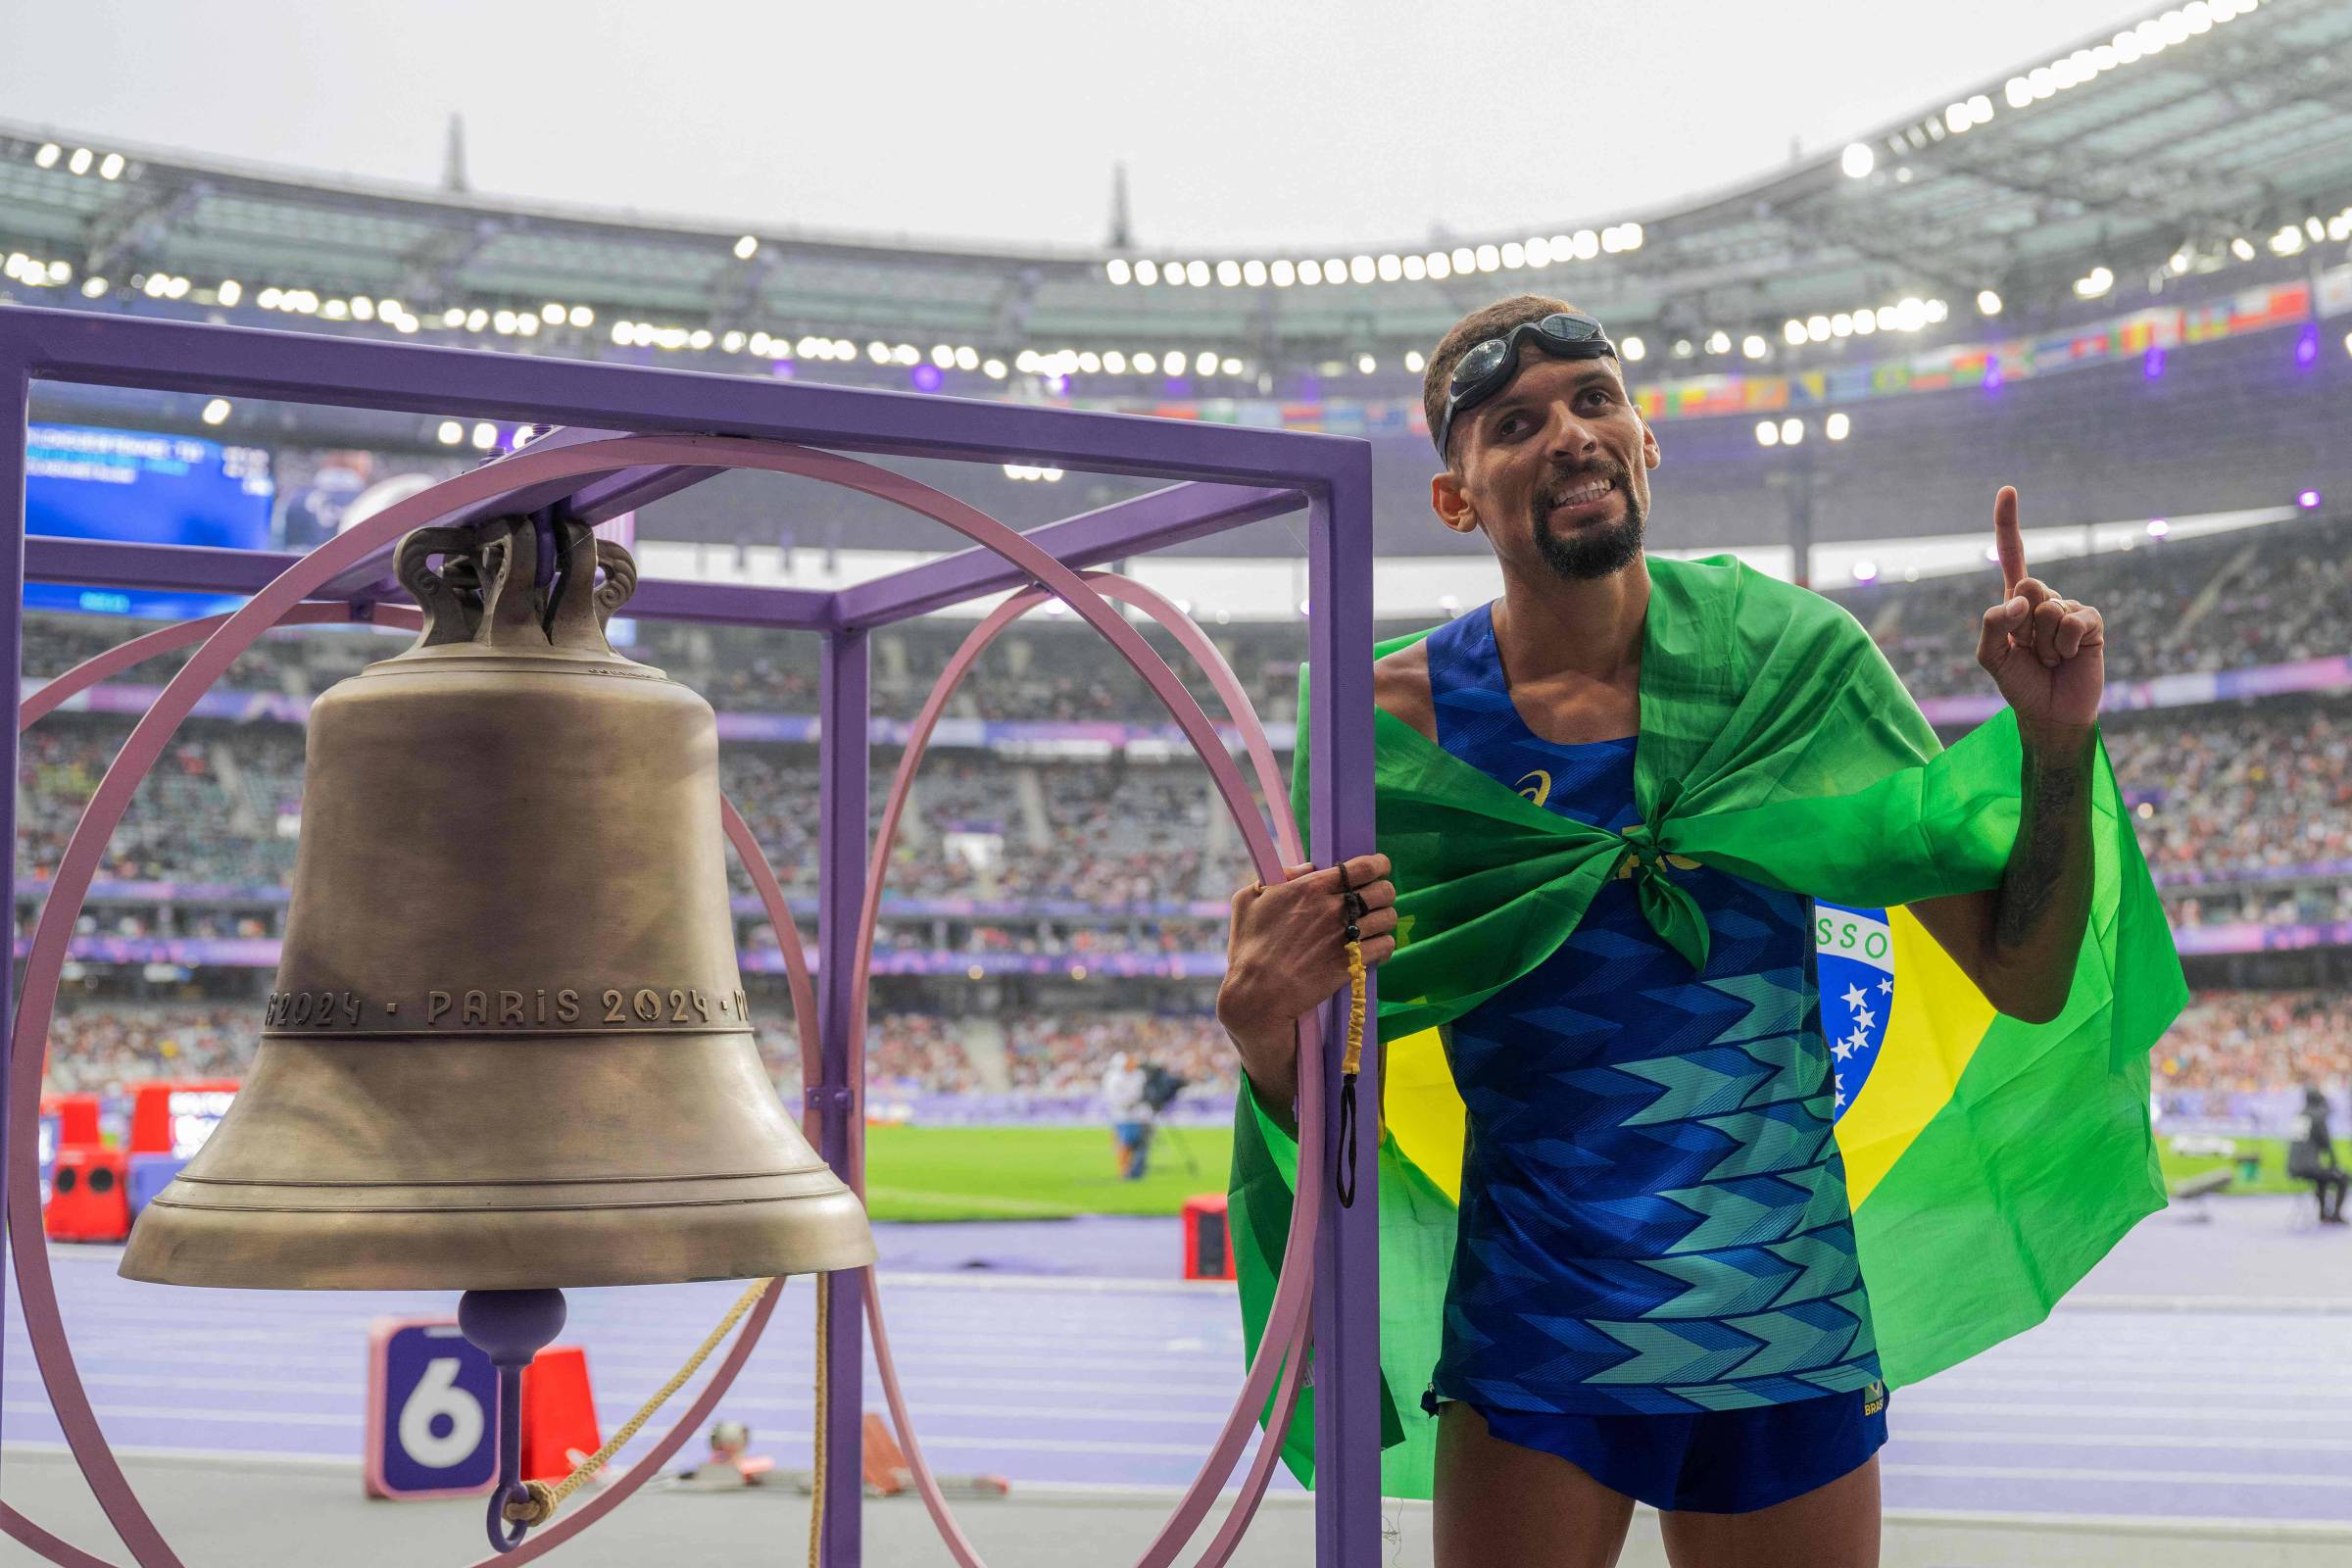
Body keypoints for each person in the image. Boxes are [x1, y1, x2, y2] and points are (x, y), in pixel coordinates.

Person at [1217, 296, 2115, 1568]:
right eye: (1515, 423)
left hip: (1785, 1313)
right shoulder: (1386, 730)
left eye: (1596, 399)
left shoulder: (1791, 663)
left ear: (1648, 443)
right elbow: (1332, 1090)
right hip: (1540, 1331)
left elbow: (2022, 978)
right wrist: (1261, 1032)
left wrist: (2055, 742)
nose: (1571, 433)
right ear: (1456, 498)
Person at [2286, 1086, 2347, 1225]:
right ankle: (2336, 1215)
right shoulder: (2318, 1117)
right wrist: (2335, 1165)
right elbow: (2327, 1145)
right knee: (2342, 1177)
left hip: (2293, 1167)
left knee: (2322, 1178)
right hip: (2309, 1167)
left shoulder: (2300, 1115)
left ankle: (2323, 1214)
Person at [1102, 1051, 1152, 1180]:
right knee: (1124, 1145)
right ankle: (1124, 1170)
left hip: (1140, 1116)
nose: (1133, 1064)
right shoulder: (1114, 1078)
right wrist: (1132, 1100)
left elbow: (1144, 1092)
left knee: (1140, 1145)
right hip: (1123, 1116)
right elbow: (1116, 1098)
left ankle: (1136, 1171)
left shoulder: (1139, 1075)